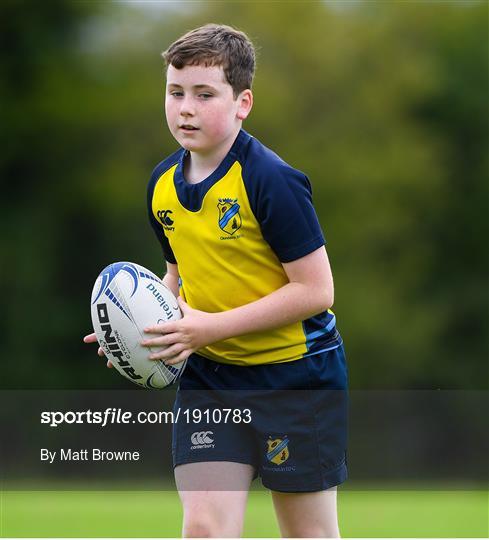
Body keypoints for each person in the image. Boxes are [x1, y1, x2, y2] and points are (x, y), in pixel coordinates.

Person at [85, 23, 348, 538]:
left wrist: (210, 328)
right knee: (204, 528)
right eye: (175, 91)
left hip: (295, 377)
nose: (185, 107)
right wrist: (137, 332)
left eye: (204, 95)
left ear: (242, 102)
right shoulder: (161, 187)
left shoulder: (270, 181)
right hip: (212, 380)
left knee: (308, 535)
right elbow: (177, 282)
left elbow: (317, 292)